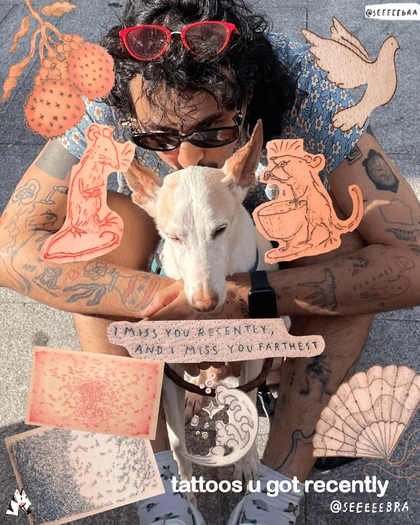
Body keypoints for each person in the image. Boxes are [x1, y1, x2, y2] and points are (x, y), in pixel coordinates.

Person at [1, 0, 419, 524]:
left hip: (268, 224)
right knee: (89, 246)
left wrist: (246, 299)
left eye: (212, 132)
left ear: (247, 98)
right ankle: (153, 482)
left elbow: (410, 260)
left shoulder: (303, 89)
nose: (188, 159)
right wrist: (168, 302)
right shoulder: (106, 98)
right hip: (170, 233)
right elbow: (11, 248)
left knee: (347, 251)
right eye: (159, 138)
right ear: (130, 116)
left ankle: (280, 485)